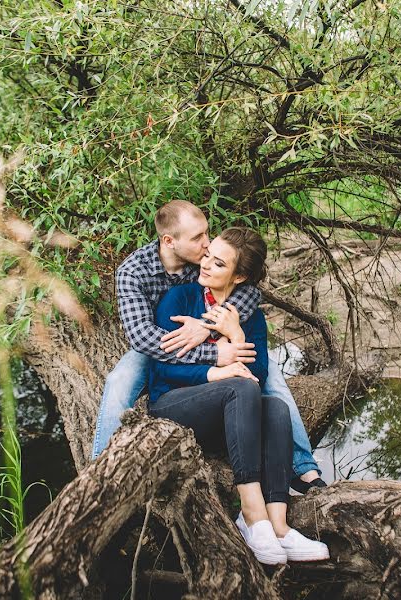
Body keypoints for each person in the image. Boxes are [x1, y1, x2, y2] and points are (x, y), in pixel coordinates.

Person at [91, 200, 325, 493]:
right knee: (120, 380)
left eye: (207, 234)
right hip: (156, 345)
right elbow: (142, 338)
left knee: (272, 378)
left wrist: (206, 326)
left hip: (207, 337)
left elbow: (249, 293)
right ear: (169, 241)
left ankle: (303, 467)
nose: (207, 243)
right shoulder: (133, 272)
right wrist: (214, 354)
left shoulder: (201, 261)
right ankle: (99, 477)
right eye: (198, 237)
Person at [148, 227, 329, 564]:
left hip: (224, 421)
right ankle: (251, 514)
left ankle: (278, 526)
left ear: (240, 275)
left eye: (218, 264)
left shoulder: (251, 316)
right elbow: (163, 367)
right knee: (240, 386)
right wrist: (213, 372)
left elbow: (258, 372)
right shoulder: (180, 299)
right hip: (173, 406)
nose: (205, 265)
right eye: (207, 256)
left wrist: (235, 333)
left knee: (274, 407)